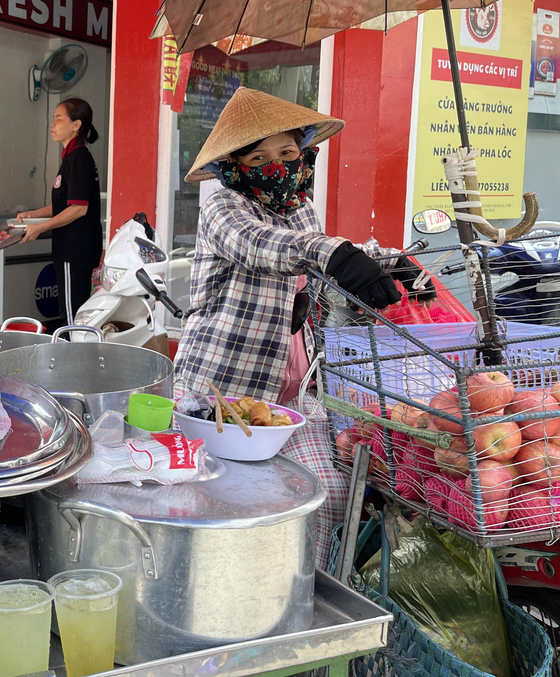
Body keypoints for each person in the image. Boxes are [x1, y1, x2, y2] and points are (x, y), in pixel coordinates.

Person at [173, 87, 432, 567]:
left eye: (287, 152)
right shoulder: (222, 207)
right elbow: (262, 245)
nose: (277, 164)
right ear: (235, 166)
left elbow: (317, 245)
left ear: (303, 154)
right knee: (230, 505)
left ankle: (306, 590)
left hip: (293, 388)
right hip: (221, 390)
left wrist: (393, 263)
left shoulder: (299, 207)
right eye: (259, 156)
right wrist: (333, 254)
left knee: (329, 495)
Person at [17, 97, 103, 322]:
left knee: (72, 316)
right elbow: (65, 203)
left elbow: (78, 209)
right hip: (76, 251)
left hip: (73, 251)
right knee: (76, 311)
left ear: (76, 125)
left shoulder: (78, 160)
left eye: (58, 119)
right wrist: (33, 215)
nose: (52, 125)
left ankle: (74, 355)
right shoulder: (73, 158)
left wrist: (40, 228)